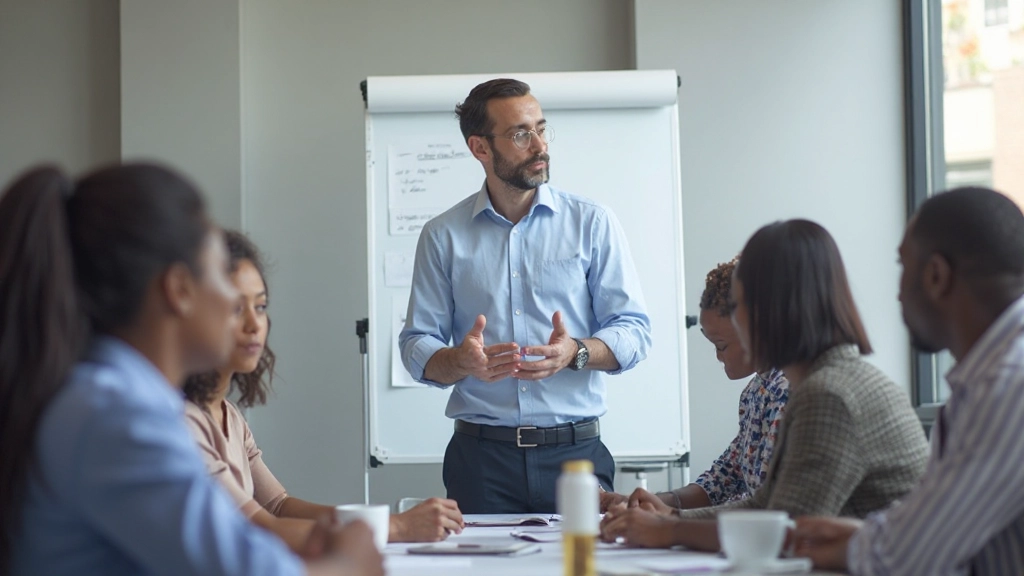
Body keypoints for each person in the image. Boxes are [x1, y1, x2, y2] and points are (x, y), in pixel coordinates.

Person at [0, 164, 382, 576]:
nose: (244, 316)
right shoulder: (117, 417)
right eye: (222, 275)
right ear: (179, 289)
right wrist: (350, 562)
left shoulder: (108, 400)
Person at [398, 78, 652, 514]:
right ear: (480, 148)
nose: (539, 145)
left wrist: (576, 352)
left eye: (541, 128)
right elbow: (416, 343)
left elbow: (634, 332)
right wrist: (459, 361)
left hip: (577, 455)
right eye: (520, 134)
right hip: (481, 460)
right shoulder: (442, 235)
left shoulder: (592, 223)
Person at [600, 219, 929, 552]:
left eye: (739, 304)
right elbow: (768, 506)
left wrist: (670, 530)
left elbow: (785, 531)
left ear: (770, 310)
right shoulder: (827, 380)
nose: (736, 319)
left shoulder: (829, 396)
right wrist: (671, 517)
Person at [183, 230, 464, 552]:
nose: (254, 324)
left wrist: (380, 523)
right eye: (235, 309)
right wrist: (394, 527)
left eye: (260, 307)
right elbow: (261, 528)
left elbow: (277, 504)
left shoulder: (228, 414)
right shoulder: (184, 423)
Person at [793, 187, 1024, 575]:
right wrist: (867, 537)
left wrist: (852, 546)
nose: (898, 294)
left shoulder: (1005, 385)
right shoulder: (990, 376)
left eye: (903, 267)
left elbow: (910, 556)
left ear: (936, 275)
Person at [599, 258, 788, 512]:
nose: (718, 356)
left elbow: (768, 508)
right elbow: (722, 479)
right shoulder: (755, 392)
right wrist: (648, 502)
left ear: (756, 330)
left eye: (721, 345)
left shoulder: (787, 392)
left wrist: (671, 520)